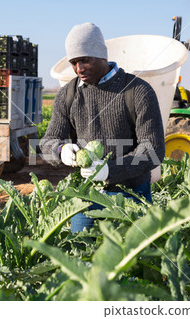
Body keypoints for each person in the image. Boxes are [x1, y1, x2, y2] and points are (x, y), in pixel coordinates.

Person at [40, 22, 165, 233]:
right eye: (73, 62)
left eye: (84, 60)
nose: (78, 69)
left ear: (101, 55)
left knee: (135, 258)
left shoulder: (138, 91)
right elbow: (47, 142)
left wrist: (110, 170)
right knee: (79, 253)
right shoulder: (68, 95)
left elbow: (153, 149)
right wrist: (60, 150)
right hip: (85, 195)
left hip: (131, 193)